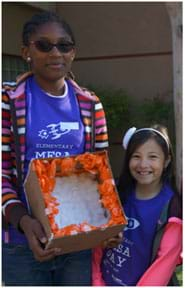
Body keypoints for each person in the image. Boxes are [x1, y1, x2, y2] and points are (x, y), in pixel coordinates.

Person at [2, 11, 109, 286]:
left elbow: (100, 174)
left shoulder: (89, 104)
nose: (56, 53)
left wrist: (108, 220)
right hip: (21, 244)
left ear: (73, 53)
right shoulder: (8, 101)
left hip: (76, 241)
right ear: (26, 51)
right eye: (44, 45)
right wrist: (24, 221)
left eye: (64, 45)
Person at [92, 125, 182, 286]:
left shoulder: (171, 209)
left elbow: (163, 265)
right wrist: (98, 282)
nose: (143, 164)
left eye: (152, 157)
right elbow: (97, 246)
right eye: (136, 156)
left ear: (167, 160)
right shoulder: (117, 193)